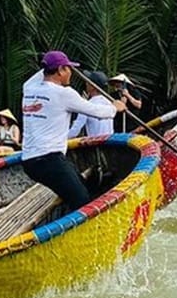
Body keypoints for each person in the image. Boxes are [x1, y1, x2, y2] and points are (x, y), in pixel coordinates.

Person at [21, 50, 125, 213]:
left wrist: (51, 62)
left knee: (81, 186)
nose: (71, 73)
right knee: (83, 201)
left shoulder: (29, 88)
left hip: (29, 162)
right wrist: (116, 108)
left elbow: (42, 73)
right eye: (68, 68)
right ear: (61, 70)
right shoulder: (64, 94)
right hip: (49, 159)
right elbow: (98, 112)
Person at [67, 71, 114, 138]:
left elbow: (75, 131)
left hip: (96, 143)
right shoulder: (109, 103)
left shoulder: (88, 105)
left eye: (88, 82)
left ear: (92, 86)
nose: (86, 84)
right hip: (109, 142)